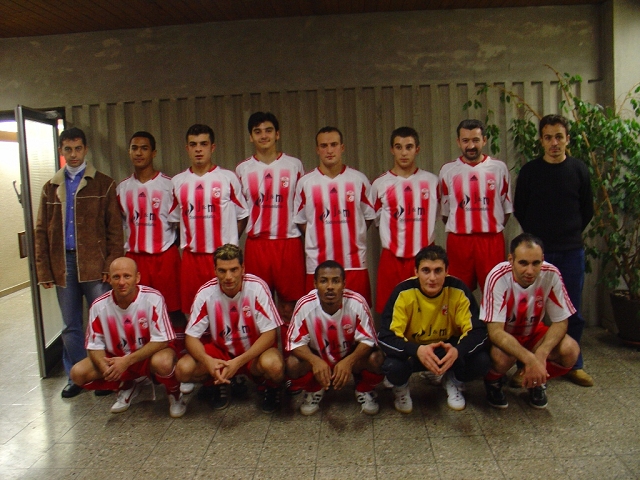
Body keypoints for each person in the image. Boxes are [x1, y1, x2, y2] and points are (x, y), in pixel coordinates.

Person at [35, 127, 124, 398]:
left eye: (77, 149)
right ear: (61, 151)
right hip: (64, 263)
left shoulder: (103, 183)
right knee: (70, 324)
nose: (73, 154)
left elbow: (115, 230)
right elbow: (41, 231)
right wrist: (43, 269)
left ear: (85, 149)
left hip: (96, 263)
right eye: (68, 149)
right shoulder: (50, 187)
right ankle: (77, 375)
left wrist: (110, 265)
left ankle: (105, 374)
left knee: (103, 321)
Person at [513, 114, 595, 387]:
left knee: (572, 310)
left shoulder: (579, 170)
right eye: (548, 137)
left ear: (567, 139)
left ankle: (574, 364)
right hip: (538, 254)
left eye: (559, 137)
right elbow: (520, 209)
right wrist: (537, 243)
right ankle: (524, 365)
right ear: (541, 141)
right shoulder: (530, 172)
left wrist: (568, 233)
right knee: (527, 312)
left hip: (570, 251)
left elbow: (587, 210)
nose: (554, 143)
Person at [69, 257, 187, 417]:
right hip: (116, 358)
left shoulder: (153, 298)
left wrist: (126, 362)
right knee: (77, 373)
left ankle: (175, 395)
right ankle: (126, 385)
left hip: (147, 356)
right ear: (109, 279)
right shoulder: (98, 305)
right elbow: (94, 346)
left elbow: (163, 340)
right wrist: (108, 370)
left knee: (163, 362)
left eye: (127, 276)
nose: (121, 282)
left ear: (137, 278)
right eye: (116, 277)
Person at [378, 245, 490, 413]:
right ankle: (401, 387)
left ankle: (453, 379)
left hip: (446, 351)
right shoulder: (403, 292)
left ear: (447, 271)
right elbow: (386, 336)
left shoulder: (458, 289)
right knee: (392, 366)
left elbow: (479, 331)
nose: (432, 278)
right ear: (416, 271)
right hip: (415, 352)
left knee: (482, 361)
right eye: (426, 270)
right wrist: (416, 350)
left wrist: (458, 351)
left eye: (438, 271)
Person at [175, 244, 285, 413]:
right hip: (222, 354)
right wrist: (208, 361)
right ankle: (216, 383)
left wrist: (238, 362)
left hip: (252, 354)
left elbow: (270, 334)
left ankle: (270, 387)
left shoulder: (257, 287)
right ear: (215, 270)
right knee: (183, 369)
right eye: (222, 271)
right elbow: (191, 337)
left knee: (274, 365)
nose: (228, 277)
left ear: (243, 269)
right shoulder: (206, 293)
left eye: (234, 270)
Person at [481, 233, 580, 409]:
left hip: (533, 332)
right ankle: (493, 382)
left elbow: (561, 322)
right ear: (511, 260)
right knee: (501, 358)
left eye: (536, 263)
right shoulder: (497, 276)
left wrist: (540, 356)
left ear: (542, 260)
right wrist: (530, 359)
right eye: (523, 263)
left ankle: (536, 381)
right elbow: (495, 332)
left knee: (571, 350)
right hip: (506, 334)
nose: (530, 271)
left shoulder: (551, 274)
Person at [285, 261, 384, 415]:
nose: (330, 287)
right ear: (315, 284)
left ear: (344, 284)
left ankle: (364, 389)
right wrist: (315, 361)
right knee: (292, 364)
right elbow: (295, 343)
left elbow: (368, 340)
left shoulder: (357, 303)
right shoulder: (304, 305)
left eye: (336, 281)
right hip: (319, 356)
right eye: (324, 281)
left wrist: (349, 361)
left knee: (377, 358)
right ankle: (314, 389)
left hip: (349, 356)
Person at [235, 112, 306, 324]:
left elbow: (302, 207)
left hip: (288, 243)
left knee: (290, 307)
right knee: (258, 307)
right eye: (257, 132)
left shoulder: (294, 166)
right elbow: (240, 212)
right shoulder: (242, 169)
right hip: (257, 244)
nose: (263, 136)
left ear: (277, 134)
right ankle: (266, 347)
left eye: (268, 130)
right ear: (251, 137)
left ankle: (291, 346)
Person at [172, 124, 248, 315]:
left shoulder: (228, 178)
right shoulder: (177, 182)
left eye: (203, 144)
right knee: (194, 312)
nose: (198, 149)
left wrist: (229, 246)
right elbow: (174, 221)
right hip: (192, 259)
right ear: (187, 148)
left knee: (227, 310)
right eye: (193, 144)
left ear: (212, 147)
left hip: (222, 259)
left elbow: (242, 216)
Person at [294, 126, 376, 305]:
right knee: (317, 314)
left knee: (357, 313)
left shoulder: (359, 180)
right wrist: (317, 236)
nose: (329, 150)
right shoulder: (305, 183)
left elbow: (368, 216)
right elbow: (301, 220)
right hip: (317, 264)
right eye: (324, 146)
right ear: (317, 149)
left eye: (334, 144)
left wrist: (354, 233)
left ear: (342, 147)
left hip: (354, 263)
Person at [438, 119, 513, 292]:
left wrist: (489, 225)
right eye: (465, 141)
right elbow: (445, 212)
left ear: (484, 140)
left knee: (495, 291)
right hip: (459, 241)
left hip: (491, 241)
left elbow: (506, 209)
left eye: (475, 140)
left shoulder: (499, 168)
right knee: (458, 293)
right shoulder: (448, 171)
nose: (471, 146)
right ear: (458, 142)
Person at [371, 126, 440, 313]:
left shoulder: (432, 182)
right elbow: (376, 221)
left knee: (427, 310)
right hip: (392, 257)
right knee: (391, 311)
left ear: (417, 149)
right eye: (398, 147)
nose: (403, 153)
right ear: (392, 149)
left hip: (425, 257)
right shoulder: (379, 184)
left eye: (409, 147)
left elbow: (439, 215)